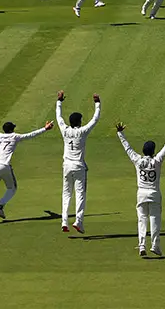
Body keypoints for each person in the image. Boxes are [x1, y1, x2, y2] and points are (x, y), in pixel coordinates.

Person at [117, 119, 165, 256]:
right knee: (155, 219)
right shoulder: (157, 161)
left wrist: (120, 133)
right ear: (153, 151)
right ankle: (155, 246)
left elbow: (128, 148)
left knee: (142, 219)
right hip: (154, 193)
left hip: (141, 194)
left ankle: (142, 245)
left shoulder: (137, 160)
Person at [0, 117, 54, 223]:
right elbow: (30, 135)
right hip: (4, 165)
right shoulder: (15, 136)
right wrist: (45, 129)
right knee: (12, 188)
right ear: (11, 129)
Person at [56, 90, 101, 233]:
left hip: (66, 166)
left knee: (66, 194)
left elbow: (59, 117)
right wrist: (97, 103)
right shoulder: (82, 132)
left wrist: (59, 101)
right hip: (79, 167)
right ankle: (78, 221)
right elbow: (95, 120)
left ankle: (64, 221)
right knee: (80, 194)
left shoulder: (65, 130)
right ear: (79, 122)